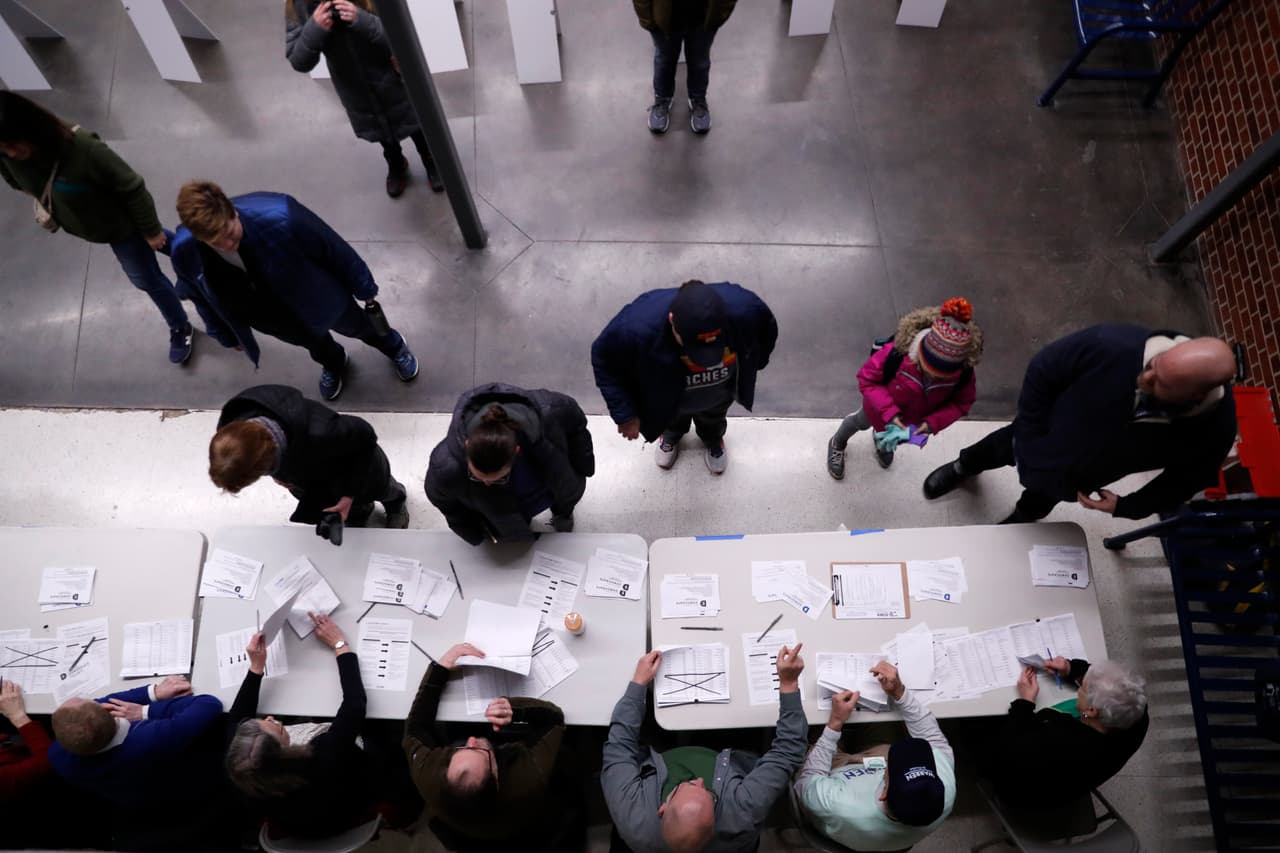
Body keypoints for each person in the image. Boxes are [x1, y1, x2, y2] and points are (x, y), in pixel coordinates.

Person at [923, 325, 1237, 523]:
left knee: (1041, 499)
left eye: (1160, 381)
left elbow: (1182, 483)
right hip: (1039, 432)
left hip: (1078, 476)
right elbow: (1043, 369)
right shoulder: (1113, 344)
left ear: (1195, 395)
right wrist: (1030, 434)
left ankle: (1021, 518)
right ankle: (964, 467)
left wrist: (1127, 506)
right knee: (993, 449)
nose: (1146, 377)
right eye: (1154, 365)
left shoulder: (1214, 433)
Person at [171, 180, 419, 401]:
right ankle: (334, 362)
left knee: (360, 326)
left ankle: (394, 346)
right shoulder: (185, 251)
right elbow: (199, 295)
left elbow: (333, 248)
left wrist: (364, 287)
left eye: (230, 233)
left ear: (233, 212)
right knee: (315, 345)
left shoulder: (283, 215)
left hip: (319, 297)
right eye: (216, 242)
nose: (227, 245)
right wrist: (226, 334)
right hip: (274, 318)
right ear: (199, 237)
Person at [0, 91, 193, 365]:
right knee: (167, 245)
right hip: (97, 224)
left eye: (13, 145)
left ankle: (180, 324)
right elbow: (14, 180)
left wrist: (150, 230)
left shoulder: (84, 150)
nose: (11, 154)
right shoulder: (7, 154)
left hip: (120, 227)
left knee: (146, 278)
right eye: (3, 149)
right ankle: (205, 258)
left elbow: (133, 188)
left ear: (31, 129)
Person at [226, 614, 421, 837]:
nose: (271, 718)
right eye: (277, 728)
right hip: (352, 796)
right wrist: (340, 644)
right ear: (282, 754)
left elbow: (236, 718)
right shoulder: (322, 756)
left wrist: (256, 667)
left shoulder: (241, 770)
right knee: (382, 726)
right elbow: (355, 704)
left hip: (300, 823)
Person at [602, 645, 807, 852]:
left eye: (690, 785)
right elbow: (788, 751)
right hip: (726, 753)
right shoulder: (742, 812)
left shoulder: (631, 813)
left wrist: (639, 682)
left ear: (663, 809)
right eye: (709, 794)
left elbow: (618, 747)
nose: (700, 780)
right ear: (713, 829)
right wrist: (788, 683)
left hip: (662, 755)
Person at [402, 642, 582, 850]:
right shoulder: (529, 777)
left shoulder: (427, 775)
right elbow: (555, 721)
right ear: (496, 775)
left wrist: (440, 670)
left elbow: (415, 728)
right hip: (523, 829)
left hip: (468, 831)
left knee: (457, 731)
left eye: (461, 751)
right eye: (478, 750)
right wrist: (517, 711)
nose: (472, 739)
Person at [592, 280, 777, 475]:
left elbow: (767, 330)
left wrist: (755, 363)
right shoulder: (635, 325)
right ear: (672, 320)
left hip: (718, 394)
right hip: (670, 394)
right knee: (670, 416)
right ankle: (670, 435)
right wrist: (625, 414)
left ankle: (713, 438)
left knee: (714, 418)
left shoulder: (746, 309)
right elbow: (604, 359)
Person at [285, 0, 444, 197]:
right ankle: (395, 161)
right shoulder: (299, 5)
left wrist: (362, 19)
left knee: (414, 122)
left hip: (394, 81)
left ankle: (430, 158)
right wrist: (314, 29)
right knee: (380, 131)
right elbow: (299, 61)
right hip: (355, 89)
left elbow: (402, 37)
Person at [794, 662, 955, 851]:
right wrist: (900, 694)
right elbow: (934, 741)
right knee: (882, 712)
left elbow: (806, 779)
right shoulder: (944, 792)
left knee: (814, 722)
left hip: (833, 776)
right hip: (876, 763)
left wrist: (835, 724)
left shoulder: (839, 805)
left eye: (893, 766)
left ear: (884, 792)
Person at [210, 384, 410, 529]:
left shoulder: (325, 431)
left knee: (384, 489)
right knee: (349, 508)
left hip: (359, 467)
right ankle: (359, 512)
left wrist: (349, 494)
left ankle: (396, 505)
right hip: (305, 478)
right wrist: (278, 475)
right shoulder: (234, 429)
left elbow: (365, 436)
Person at [827, 297, 982, 476]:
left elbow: (961, 404)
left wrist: (931, 424)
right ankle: (838, 441)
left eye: (942, 375)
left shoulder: (963, 374)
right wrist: (890, 413)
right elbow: (867, 379)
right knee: (859, 422)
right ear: (921, 351)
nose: (932, 376)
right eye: (927, 368)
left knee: (890, 436)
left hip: (911, 421)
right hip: (877, 409)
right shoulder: (897, 354)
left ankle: (883, 444)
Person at [425, 382, 595, 544]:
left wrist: (584, 466)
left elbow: (577, 428)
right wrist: (473, 533)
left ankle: (562, 514)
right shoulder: (444, 466)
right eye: (475, 476)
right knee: (516, 522)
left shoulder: (553, 409)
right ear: (467, 445)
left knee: (562, 502)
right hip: (507, 504)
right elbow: (444, 503)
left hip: (551, 483)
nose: (486, 484)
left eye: (500, 478)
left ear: (516, 452)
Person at [984, 658, 1148, 807]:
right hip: (1071, 784)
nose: (1078, 689)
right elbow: (1113, 684)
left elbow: (1007, 750)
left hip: (1023, 792)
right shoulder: (1135, 711)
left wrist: (1024, 702)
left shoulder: (1061, 743)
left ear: (1091, 710)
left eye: (1081, 687)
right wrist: (1071, 668)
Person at [48, 676, 223, 808]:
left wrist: (153, 693)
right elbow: (208, 704)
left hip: (134, 801)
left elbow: (92, 712)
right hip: (188, 793)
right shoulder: (153, 738)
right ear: (108, 709)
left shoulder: (58, 755)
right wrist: (145, 711)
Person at [632, 0, 738, 134]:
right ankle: (662, 98)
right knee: (664, 61)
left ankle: (697, 98)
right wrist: (647, 19)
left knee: (700, 62)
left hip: (703, 18)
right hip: (665, 19)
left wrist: (719, 14)